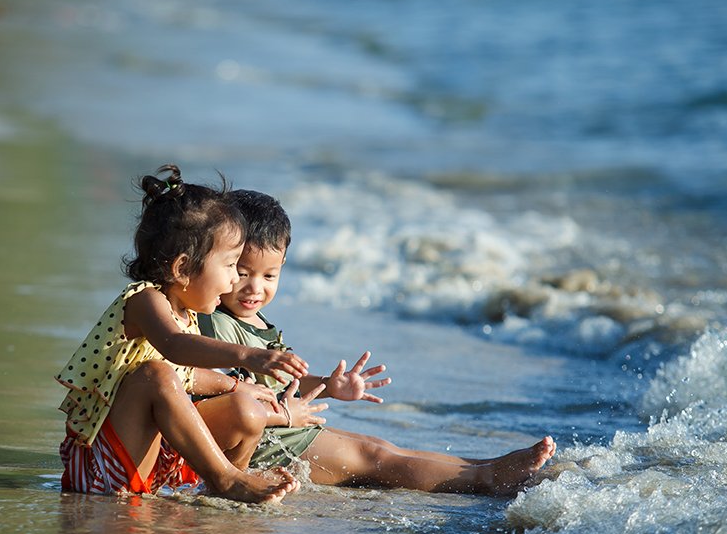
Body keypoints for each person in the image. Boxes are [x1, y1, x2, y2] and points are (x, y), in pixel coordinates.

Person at [198, 189, 558, 496]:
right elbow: (229, 396)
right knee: (374, 458)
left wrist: (328, 386)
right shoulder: (214, 321)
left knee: (383, 446)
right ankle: (489, 478)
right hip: (264, 446)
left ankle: (488, 465)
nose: (254, 288)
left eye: (269, 275)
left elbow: (278, 386)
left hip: (285, 429)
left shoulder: (254, 321)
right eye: (242, 273)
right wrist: (287, 414)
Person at [56, 165, 312, 504]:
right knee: (153, 374)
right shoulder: (145, 301)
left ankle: (225, 487)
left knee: (244, 408)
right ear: (181, 268)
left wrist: (239, 386)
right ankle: (227, 479)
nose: (235, 280)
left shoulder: (186, 311)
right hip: (102, 469)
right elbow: (175, 349)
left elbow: (187, 375)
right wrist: (249, 355)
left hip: (155, 467)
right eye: (230, 265)